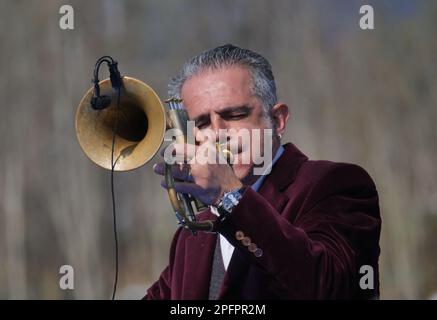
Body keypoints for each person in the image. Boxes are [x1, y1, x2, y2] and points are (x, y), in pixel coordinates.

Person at [144, 44, 381, 300]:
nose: (216, 133)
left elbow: (327, 287)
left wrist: (229, 195)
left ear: (277, 120)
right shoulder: (194, 232)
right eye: (201, 123)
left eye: (234, 114)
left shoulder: (337, 184)